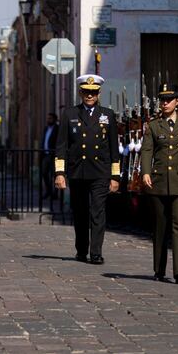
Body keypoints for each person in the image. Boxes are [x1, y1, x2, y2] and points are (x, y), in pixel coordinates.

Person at [54, 74, 120, 264]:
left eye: (93, 93)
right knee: (80, 213)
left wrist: (115, 175)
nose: (89, 96)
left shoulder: (107, 115)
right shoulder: (70, 114)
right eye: (86, 92)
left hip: (100, 171)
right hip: (78, 172)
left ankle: (96, 252)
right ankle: (81, 250)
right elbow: (61, 145)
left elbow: (113, 148)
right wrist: (60, 173)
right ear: (80, 93)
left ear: (98, 93)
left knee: (97, 213)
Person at [140, 83, 178, 285]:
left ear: (177, 102)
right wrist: (146, 172)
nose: (165, 103)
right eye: (162, 100)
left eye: (169, 100)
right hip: (158, 181)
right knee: (160, 226)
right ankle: (159, 269)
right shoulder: (154, 126)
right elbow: (147, 150)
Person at [40, 113, 59, 199]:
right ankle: (48, 191)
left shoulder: (57, 129)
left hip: (54, 155)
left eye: (50, 119)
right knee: (44, 173)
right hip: (46, 155)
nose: (48, 120)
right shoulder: (46, 128)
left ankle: (55, 194)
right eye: (48, 118)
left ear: (54, 120)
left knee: (55, 175)